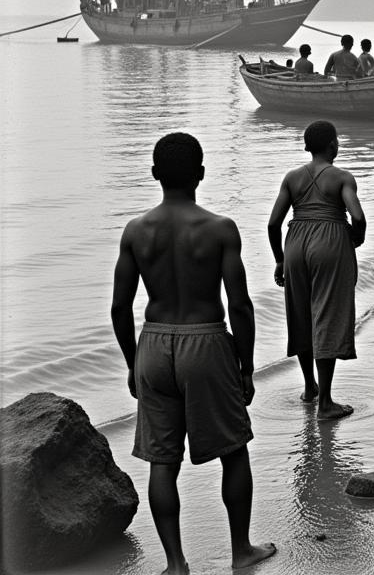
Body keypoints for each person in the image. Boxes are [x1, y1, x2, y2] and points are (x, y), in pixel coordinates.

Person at [111, 133, 276, 574]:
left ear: (154, 175)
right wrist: (245, 365)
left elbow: (119, 307)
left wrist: (132, 362)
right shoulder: (219, 229)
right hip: (204, 340)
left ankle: (175, 564)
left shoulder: (135, 231)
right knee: (234, 451)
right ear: (201, 174)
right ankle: (241, 550)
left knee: (162, 461)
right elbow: (239, 304)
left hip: (153, 341)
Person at [267, 120, 366, 422]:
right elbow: (358, 216)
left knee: (301, 315)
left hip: (295, 240)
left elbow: (273, 224)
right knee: (327, 315)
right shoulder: (342, 177)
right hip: (330, 240)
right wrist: (355, 238)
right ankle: (325, 403)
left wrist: (280, 259)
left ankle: (309, 388)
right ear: (333, 145)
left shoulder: (292, 177)